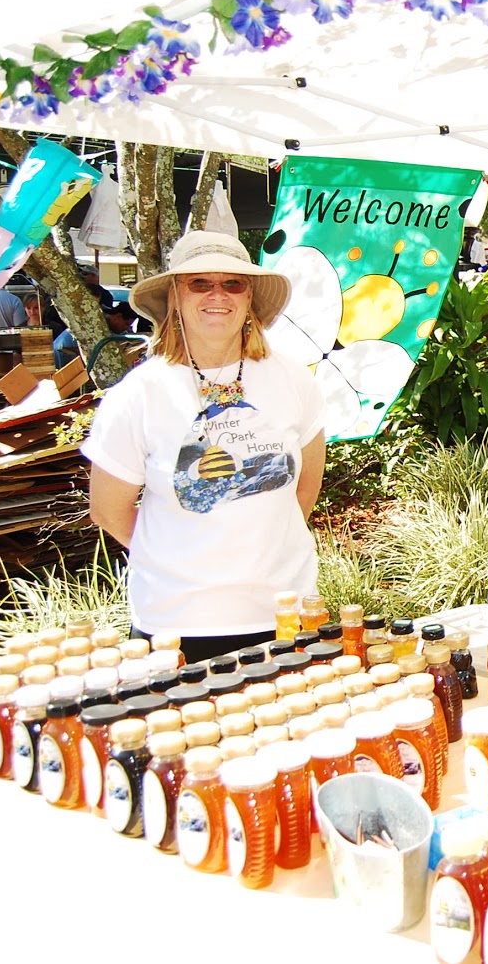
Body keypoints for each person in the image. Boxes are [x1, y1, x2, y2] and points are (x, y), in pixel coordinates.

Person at [81, 231, 325, 661]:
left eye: (233, 283)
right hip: (177, 625)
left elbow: (305, 488)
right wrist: (177, 563)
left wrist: (263, 548)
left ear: (250, 298)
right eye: (200, 283)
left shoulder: (292, 379)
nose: (218, 294)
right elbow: (107, 509)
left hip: (286, 612)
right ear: (175, 296)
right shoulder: (140, 393)